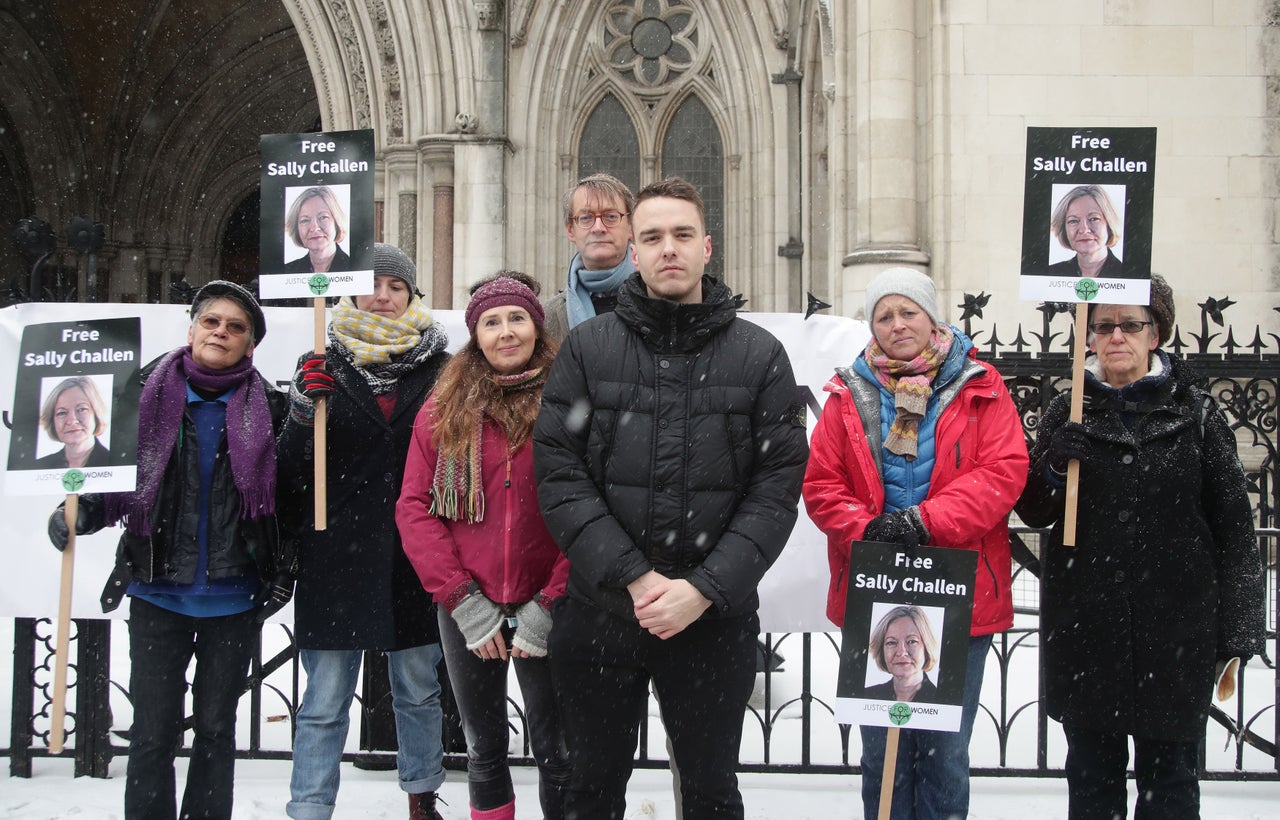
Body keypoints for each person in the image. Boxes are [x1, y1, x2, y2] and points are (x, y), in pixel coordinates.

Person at [533, 176, 809, 819]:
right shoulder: (587, 349)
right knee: (590, 792)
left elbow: (775, 492)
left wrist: (703, 589)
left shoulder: (760, 356)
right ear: (634, 251)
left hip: (712, 622)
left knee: (711, 791)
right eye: (653, 236)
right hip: (603, 613)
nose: (669, 249)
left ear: (707, 246)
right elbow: (560, 474)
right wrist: (634, 579)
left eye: (682, 235)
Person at [1015, 274, 1264, 819]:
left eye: (1131, 324)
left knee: (1170, 789)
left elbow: (1234, 531)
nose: (1115, 337)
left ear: (1157, 333)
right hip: (1089, 634)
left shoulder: (1196, 414)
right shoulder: (1067, 410)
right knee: (1093, 787)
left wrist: (1239, 632)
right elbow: (1034, 510)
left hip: (1175, 633)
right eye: (1103, 326)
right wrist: (1055, 463)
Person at [46, 280, 289, 820]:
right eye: (211, 321)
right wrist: (76, 514)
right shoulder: (140, 398)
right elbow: (109, 482)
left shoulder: (271, 410)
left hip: (234, 598)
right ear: (192, 329)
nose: (220, 332)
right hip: (157, 593)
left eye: (235, 327)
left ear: (250, 345)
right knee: (153, 735)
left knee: (215, 732)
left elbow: (290, 500)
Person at [802, 267, 1028, 820]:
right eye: (884, 315)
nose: (897, 324)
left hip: (959, 593)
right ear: (871, 327)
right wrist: (869, 530)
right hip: (877, 591)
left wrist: (924, 522)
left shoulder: (981, 384)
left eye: (908, 312)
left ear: (932, 318)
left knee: (944, 754)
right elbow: (822, 485)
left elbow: (1003, 471)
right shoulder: (846, 392)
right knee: (882, 755)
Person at [277, 244, 451, 820]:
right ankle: (309, 807)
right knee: (324, 700)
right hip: (336, 551)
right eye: (372, 284)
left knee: (419, 691)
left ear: (411, 296)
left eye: (396, 286)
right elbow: (290, 468)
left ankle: (422, 796)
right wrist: (303, 411)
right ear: (349, 292)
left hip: (416, 555)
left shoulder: (441, 370)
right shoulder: (322, 365)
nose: (383, 295)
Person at [398, 272, 571, 820]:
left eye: (517, 318)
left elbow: (590, 508)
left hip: (550, 602)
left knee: (558, 749)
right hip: (469, 604)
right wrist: (462, 600)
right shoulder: (442, 411)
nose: (505, 332)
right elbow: (415, 508)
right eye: (491, 322)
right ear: (476, 335)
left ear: (536, 328)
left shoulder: (569, 406)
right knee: (484, 750)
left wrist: (551, 601)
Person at [543, 172, 636, 343]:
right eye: (586, 218)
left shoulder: (661, 301)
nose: (598, 227)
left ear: (630, 227)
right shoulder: (547, 320)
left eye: (610, 216)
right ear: (571, 231)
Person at [862, 606, 940, 703]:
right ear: (881, 650)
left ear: (927, 647)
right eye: (891, 643)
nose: (901, 652)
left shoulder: (943, 700)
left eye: (912, 641)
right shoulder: (866, 697)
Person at [1045, 184, 1125, 279]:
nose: (1084, 230)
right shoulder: (1051, 275)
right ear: (1064, 229)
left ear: (1110, 224)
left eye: (1094, 219)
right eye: (1073, 221)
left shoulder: (1128, 274)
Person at [34, 375, 111, 468]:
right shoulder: (39, 467)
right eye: (62, 413)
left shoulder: (116, 464)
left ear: (97, 414)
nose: (71, 420)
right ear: (52, 422)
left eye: (82, 409)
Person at [283, 185, 352, 274]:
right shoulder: (286, 271)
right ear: (296, 228)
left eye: (323, 217)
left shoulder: (354, 268)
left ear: (337, 222)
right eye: (305, 220)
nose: (314, 228)